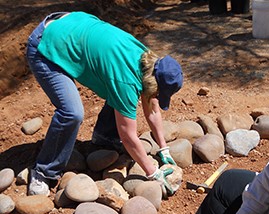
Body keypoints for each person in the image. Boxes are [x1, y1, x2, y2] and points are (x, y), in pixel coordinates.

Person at [26, 11, 183, 196]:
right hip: (46, 44)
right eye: (158, 92)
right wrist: (153, 172)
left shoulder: (148, 62)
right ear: (153, 82)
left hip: (72, 26)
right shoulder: (126, 81)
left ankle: (104, 138)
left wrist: (163, 148)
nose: (156, 96)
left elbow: (153, 107)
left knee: (121, 94)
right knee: (72, 113)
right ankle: (44, 171)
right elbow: (128, 135)